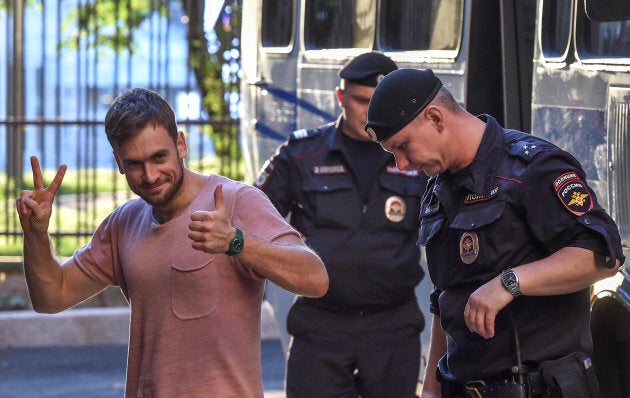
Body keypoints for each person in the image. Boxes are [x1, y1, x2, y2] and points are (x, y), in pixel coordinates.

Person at [15, 88, 329, 398]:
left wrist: (237, 243)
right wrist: (36, 235)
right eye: (135, 164)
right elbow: (50, 298)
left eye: (159, 157)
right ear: (119, 162)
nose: (150, 175)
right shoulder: (124, 223)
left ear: (180, 144)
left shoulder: (234, 202)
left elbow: (315, 279)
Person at [364, 68, 626, 398]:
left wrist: (509, 282)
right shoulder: (438, 188)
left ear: (435, 118)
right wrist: (430, 389)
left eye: (402, 146)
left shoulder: (531, 169)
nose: (401, 164)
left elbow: (602, 255)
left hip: (539, 388)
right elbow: (445, 297)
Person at [254, 52, 427, 398]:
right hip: (321, 325)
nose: (370, 113)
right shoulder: (302, 154)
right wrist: (282, 241)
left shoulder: (415, 157)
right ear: (340, 98)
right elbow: (253, 215)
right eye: (361, 101)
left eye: (378, 103)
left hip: (392, 325)